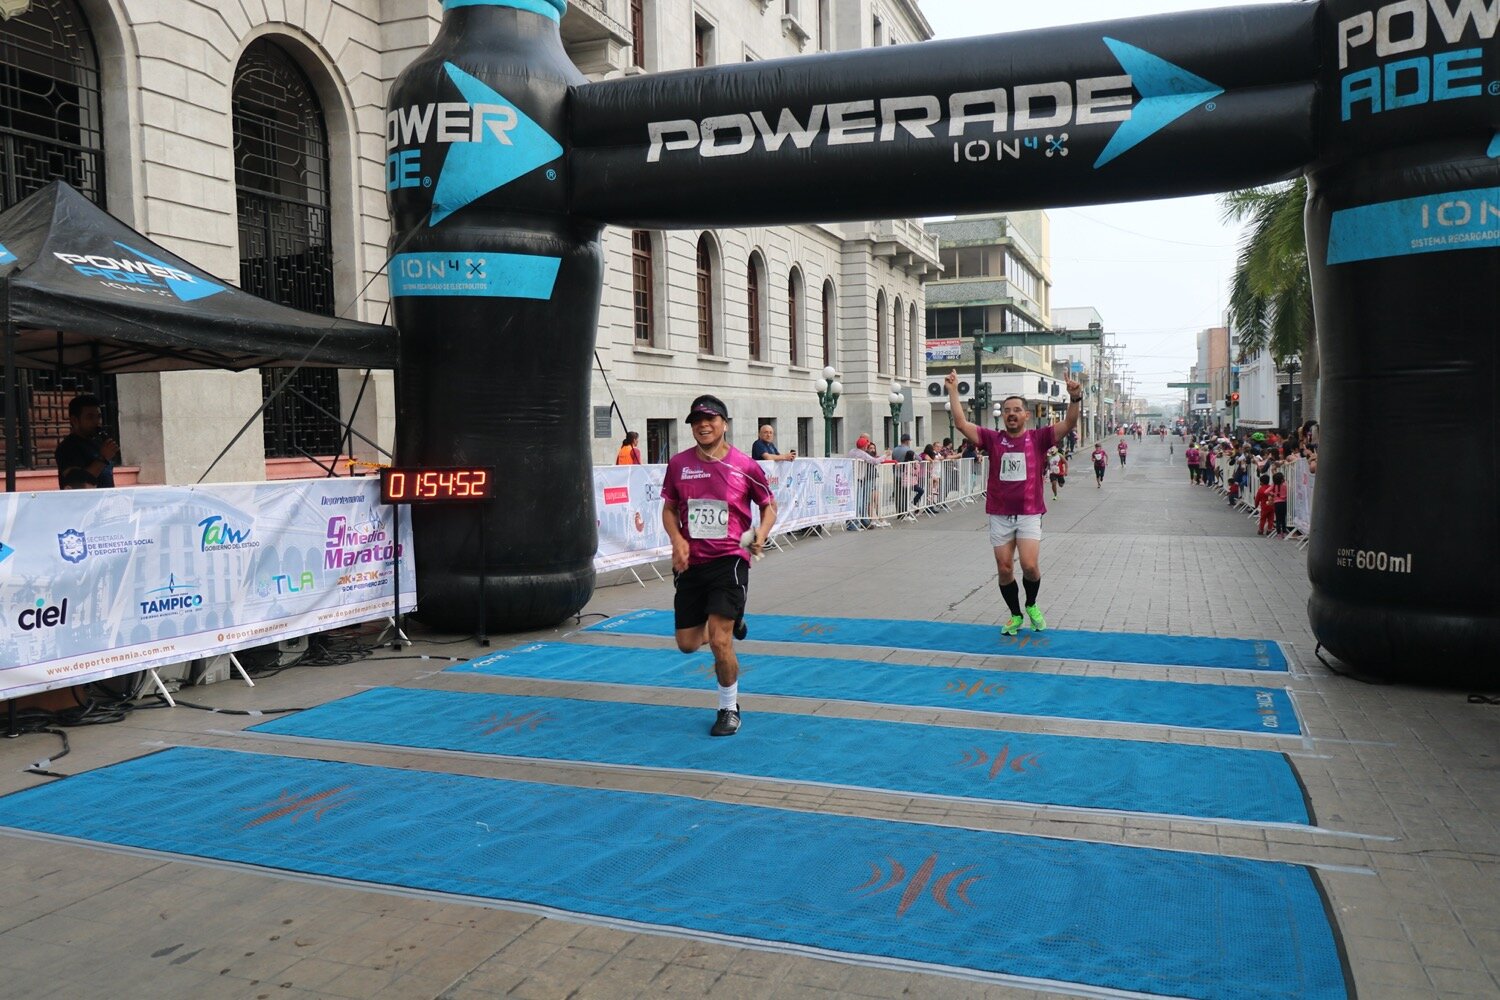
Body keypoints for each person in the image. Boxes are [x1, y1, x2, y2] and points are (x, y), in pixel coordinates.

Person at [661, 394, 777, 737]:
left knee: (719, 641)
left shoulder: (744, 465)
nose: (703, 426)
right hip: (691, 564)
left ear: (724, 424)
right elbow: (669, 508)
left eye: (710, 419)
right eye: (696, 421)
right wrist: (677, 540)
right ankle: (733, 616)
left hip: (730, 560)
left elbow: (768, 506)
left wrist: (761, 534)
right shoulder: (679, 464)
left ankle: (728, 708)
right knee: (687, 644)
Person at [947, 368, 1082, 636]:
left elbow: (1069, 423)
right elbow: (961, 423)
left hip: (1029, 513)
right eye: (1007, 410)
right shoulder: (992, 439)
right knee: (1005, 568)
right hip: (1000, 514)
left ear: (1026, 415)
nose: (1011, 413)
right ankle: (1015, 614)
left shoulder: (1038, 438)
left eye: (1017, 410)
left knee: (1029, 566)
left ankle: (1031, 604)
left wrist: (1075, 397)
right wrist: (953, 390)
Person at [55, 394, 117, 489]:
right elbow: (76, 481)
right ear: (75, 420)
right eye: (90, 417)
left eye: (99, 417)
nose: (97, 422)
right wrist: (103, 458)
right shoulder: (67, 448)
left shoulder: (99, 443)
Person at [1271, 471, 1289, 537]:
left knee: (1278, 519)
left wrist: (1273, 494)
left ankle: (1278, 533)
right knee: (1283, 518)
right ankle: (1284, 532)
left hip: (1276, 503)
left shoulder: (1274, 485)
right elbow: (1288, 491)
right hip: (1283, 502)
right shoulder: (1284, 485)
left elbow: (1266, 491)